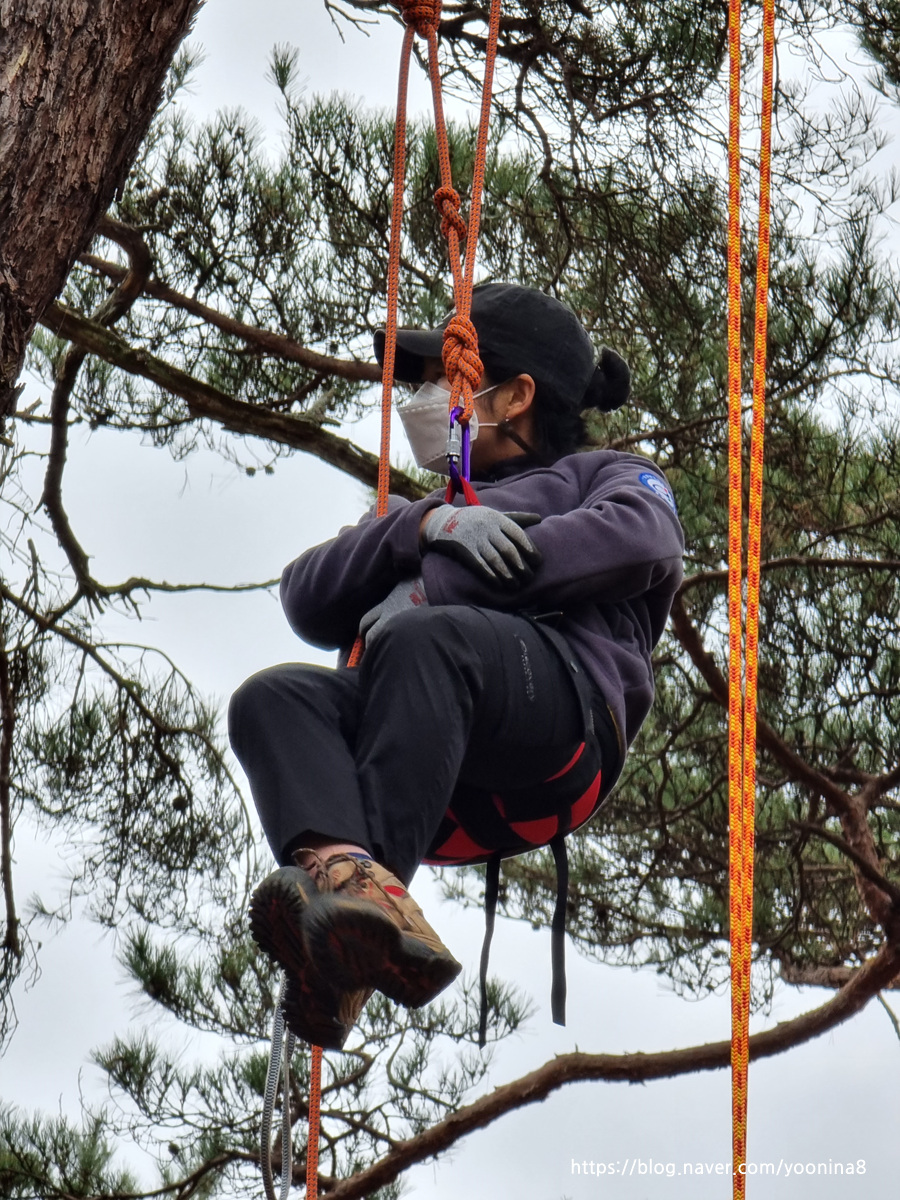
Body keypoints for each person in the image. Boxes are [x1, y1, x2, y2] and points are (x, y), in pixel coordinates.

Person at [228, 282, 684, 1050]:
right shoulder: (423, 513)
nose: (425, 398)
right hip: (430, 762)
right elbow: (306, 594)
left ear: (515, 396)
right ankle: (351, 883)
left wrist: (439, 585)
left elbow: (643, 539)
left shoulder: (602, 475)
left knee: (423, 639)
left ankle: (371, 905)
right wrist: (427, 524)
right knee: (271, 700)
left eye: (441, 380)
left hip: (559, 725)